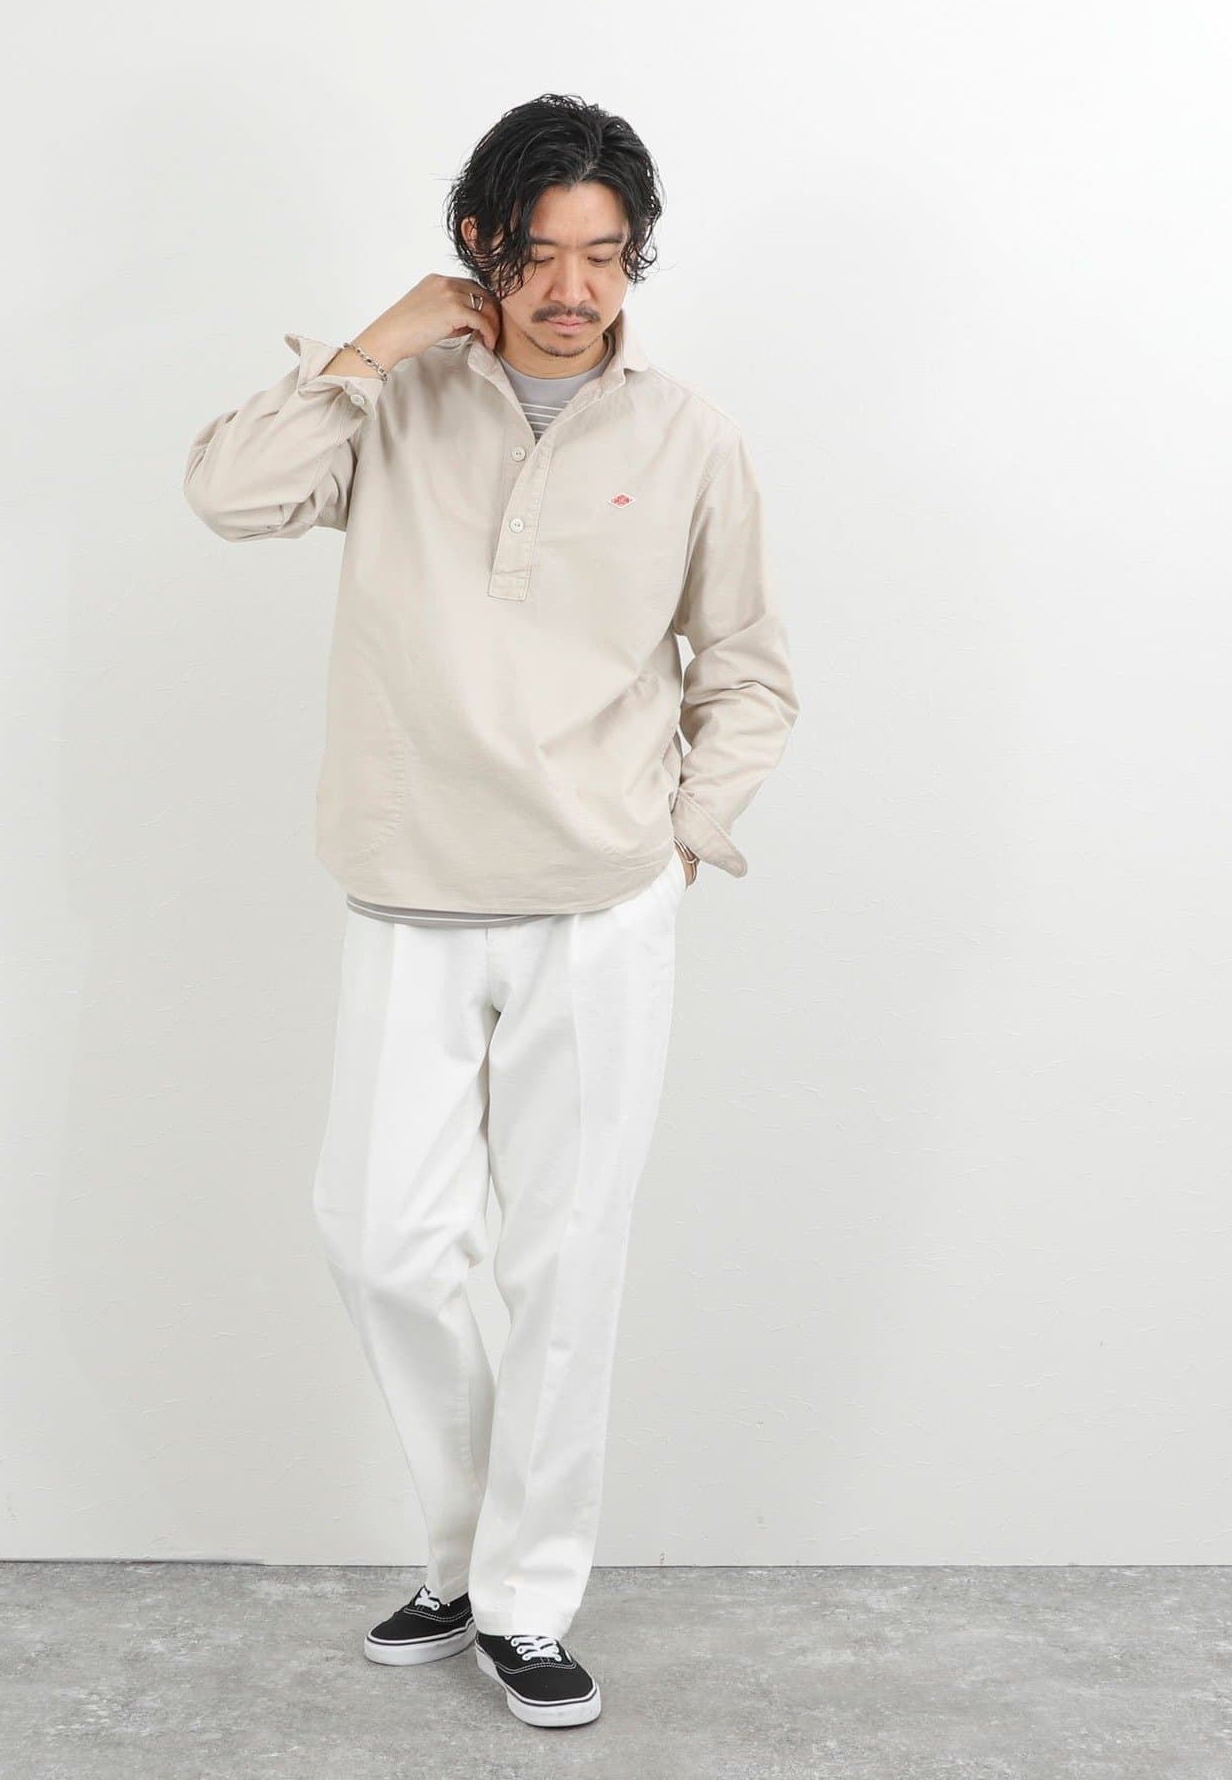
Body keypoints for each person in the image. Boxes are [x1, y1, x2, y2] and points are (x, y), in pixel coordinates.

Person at [182, 92, 800, 1731]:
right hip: (410, 887)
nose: (577, 290)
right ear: (479, 246)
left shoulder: (692, 436)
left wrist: (683, 839)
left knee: (566, 1261)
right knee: (379, 1238)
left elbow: (747, 668)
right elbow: (230, 496)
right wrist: (371, 346)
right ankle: (466, 1551)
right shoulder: (394, 403)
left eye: (608, 255)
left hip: (600, 905)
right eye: (542, 254)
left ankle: (524, 1601)